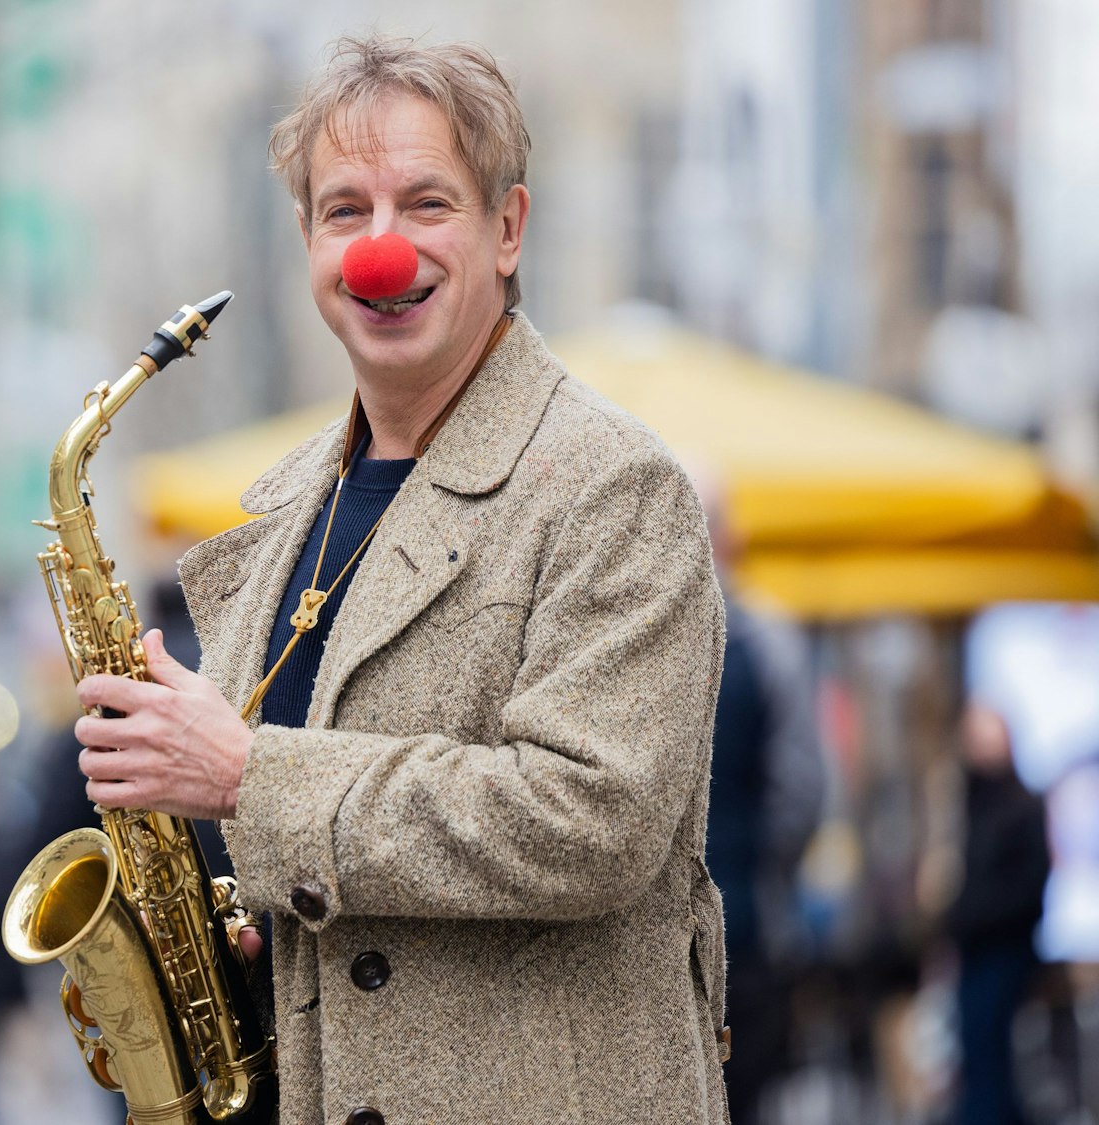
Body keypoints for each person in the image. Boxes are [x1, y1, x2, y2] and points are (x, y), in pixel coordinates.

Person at [73, 35, 729, 1123]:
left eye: (425, 204)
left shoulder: (617, 485)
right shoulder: (289, 514)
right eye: (344, 211)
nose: (380, 250)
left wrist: (247, 777)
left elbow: (588, 821)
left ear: (506, 228)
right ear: (306, 241)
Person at [692, 469, 826, 1124]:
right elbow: (801, 793)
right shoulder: (770, 642)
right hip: (745, 927)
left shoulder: (631, 642)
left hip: (656, 941)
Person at [946, 702, 1050, 1125]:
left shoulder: (1020, 806)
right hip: (973, 951)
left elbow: (1029, 890)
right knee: (974, 1056)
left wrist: (970, 915)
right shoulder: (965, 805)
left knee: (992, 1061)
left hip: (1004, 951)